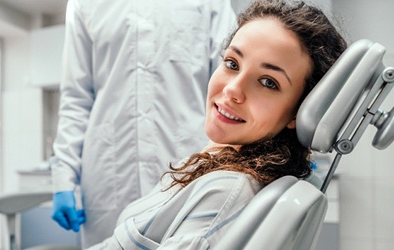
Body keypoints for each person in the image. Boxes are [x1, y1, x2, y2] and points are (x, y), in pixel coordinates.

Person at [85, 0, 347, 248]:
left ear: (298, 113)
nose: (233, 89)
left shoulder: (224, 193)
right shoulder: (216, 169)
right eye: (232, 63)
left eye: (268, 82)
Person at [50, 0, 237, 248]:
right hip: (108, 176)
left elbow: (230, 84)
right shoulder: (84, 4)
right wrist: (63, 178)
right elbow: (76, 96)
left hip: (189, 165)